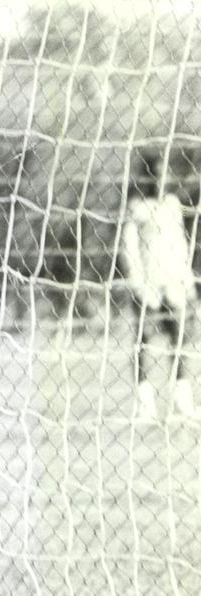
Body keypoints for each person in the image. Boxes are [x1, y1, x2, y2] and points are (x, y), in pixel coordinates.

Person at [120, 150, 199, 420]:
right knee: (143, 341)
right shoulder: (137, 207)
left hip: (172, 282)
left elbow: (180, 244)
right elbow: (129, 247)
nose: (159, 177)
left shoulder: (172, 205)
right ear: (145, 175)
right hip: (148, 283)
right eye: (153, 172)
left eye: (162, 171)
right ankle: (145, 403)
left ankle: (181, 400)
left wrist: (187, 278)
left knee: (179, 338)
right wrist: (138, 283)